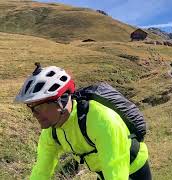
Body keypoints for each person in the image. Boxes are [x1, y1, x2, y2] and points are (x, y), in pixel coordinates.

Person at [14, 63, 152, 180]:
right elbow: (41, 171)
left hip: (133, 167)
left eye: (40, 107)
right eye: (31, 108)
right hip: (103, 171)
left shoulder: (101, 120)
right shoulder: (51, 132)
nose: (34, 114)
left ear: (61, 100)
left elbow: (115, 170)